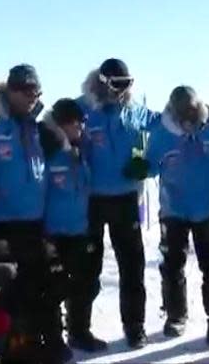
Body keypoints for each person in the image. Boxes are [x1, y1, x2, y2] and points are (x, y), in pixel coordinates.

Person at [0, 65, 70, 363]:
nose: (32, 97)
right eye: (26, 91)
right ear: (10, 90)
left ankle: (50, 339)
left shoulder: (36, 128)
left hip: (36, 220)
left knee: (44, 283)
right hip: (2, 222)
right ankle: (16, 347)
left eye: (37, 92)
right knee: (11, 290)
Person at [76, 58, 160, 349]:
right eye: (117, 85)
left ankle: (135, 326)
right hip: (91, 200)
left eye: (128, 85)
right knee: (87, 266)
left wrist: (147, 165)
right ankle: (78, 329)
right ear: (103, 82)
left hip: (125, 197)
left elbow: (166, 126)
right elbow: (56, 132)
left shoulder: (135, 110)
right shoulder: (84, 109)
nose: (122, 91)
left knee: (132, 264)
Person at [144, 86, 209, 347]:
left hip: (208, 208)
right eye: (183, 111)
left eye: (193, 110)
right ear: (173, 110)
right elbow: (149, 163)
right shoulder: (162, 134)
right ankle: (175, 315)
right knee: (172, 264)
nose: (188, 116)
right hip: (174, 209)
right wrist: (140, 166)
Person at [38, 98, 108, 354]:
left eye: (82, 121)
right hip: (54, 232)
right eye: (75, 122)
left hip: (80, 230)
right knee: (54, 287)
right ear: (61, 124)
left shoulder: (80, 151)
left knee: (86, 284)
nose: (80, 126)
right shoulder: (47, 151)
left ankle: (79, 332)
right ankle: (53, 338)